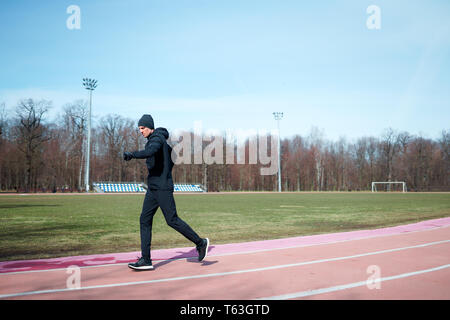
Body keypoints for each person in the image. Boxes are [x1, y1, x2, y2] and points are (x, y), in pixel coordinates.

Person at [124, 114, 209, 270]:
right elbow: (173, 156)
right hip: (154, 187)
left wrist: (132, 154)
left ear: (150, 127)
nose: (141, 131)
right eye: (139, 129)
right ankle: (146, 260)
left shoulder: (157, 139)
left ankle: (200, 242)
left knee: (172, 220)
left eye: (142, 128)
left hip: (162, 187)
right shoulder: (158, 141)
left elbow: (150, 151)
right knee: (144, 219)